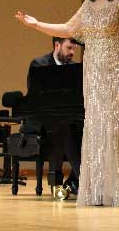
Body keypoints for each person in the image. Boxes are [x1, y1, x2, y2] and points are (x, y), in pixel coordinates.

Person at [15, 0, 119, 207]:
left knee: (116, 128)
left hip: (115, 71)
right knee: (96, 129)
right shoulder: (89, 3)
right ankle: (100, 191)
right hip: (92, 75)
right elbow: (69, 29)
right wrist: (36, 24)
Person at [24, 37, 82, 195]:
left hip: (67, 115)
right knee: (66, 128)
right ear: (57, 45)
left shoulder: (75, 68)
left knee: (83, 129)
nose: (72, 52)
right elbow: (36, 96)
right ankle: (83, 181)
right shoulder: (39, 64)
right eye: (69, 48)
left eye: (74, 49)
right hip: (40, 117)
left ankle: (75, 181)